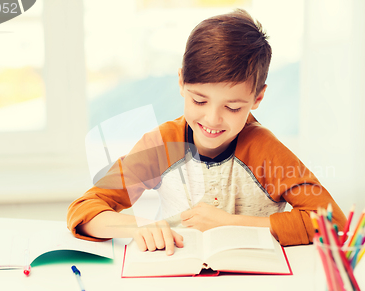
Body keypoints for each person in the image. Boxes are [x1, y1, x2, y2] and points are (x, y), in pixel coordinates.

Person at [67, 8, 346, 255]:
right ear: (181, 82)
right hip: (180, 282)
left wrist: (230, 224)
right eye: (199, 100)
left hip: (257, 287)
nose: (212, 119)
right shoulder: (163, 144)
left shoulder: (265, 151)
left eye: (234, 107)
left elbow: (333, 223)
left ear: (258, 98)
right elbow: (85, 209)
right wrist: (143, 226)